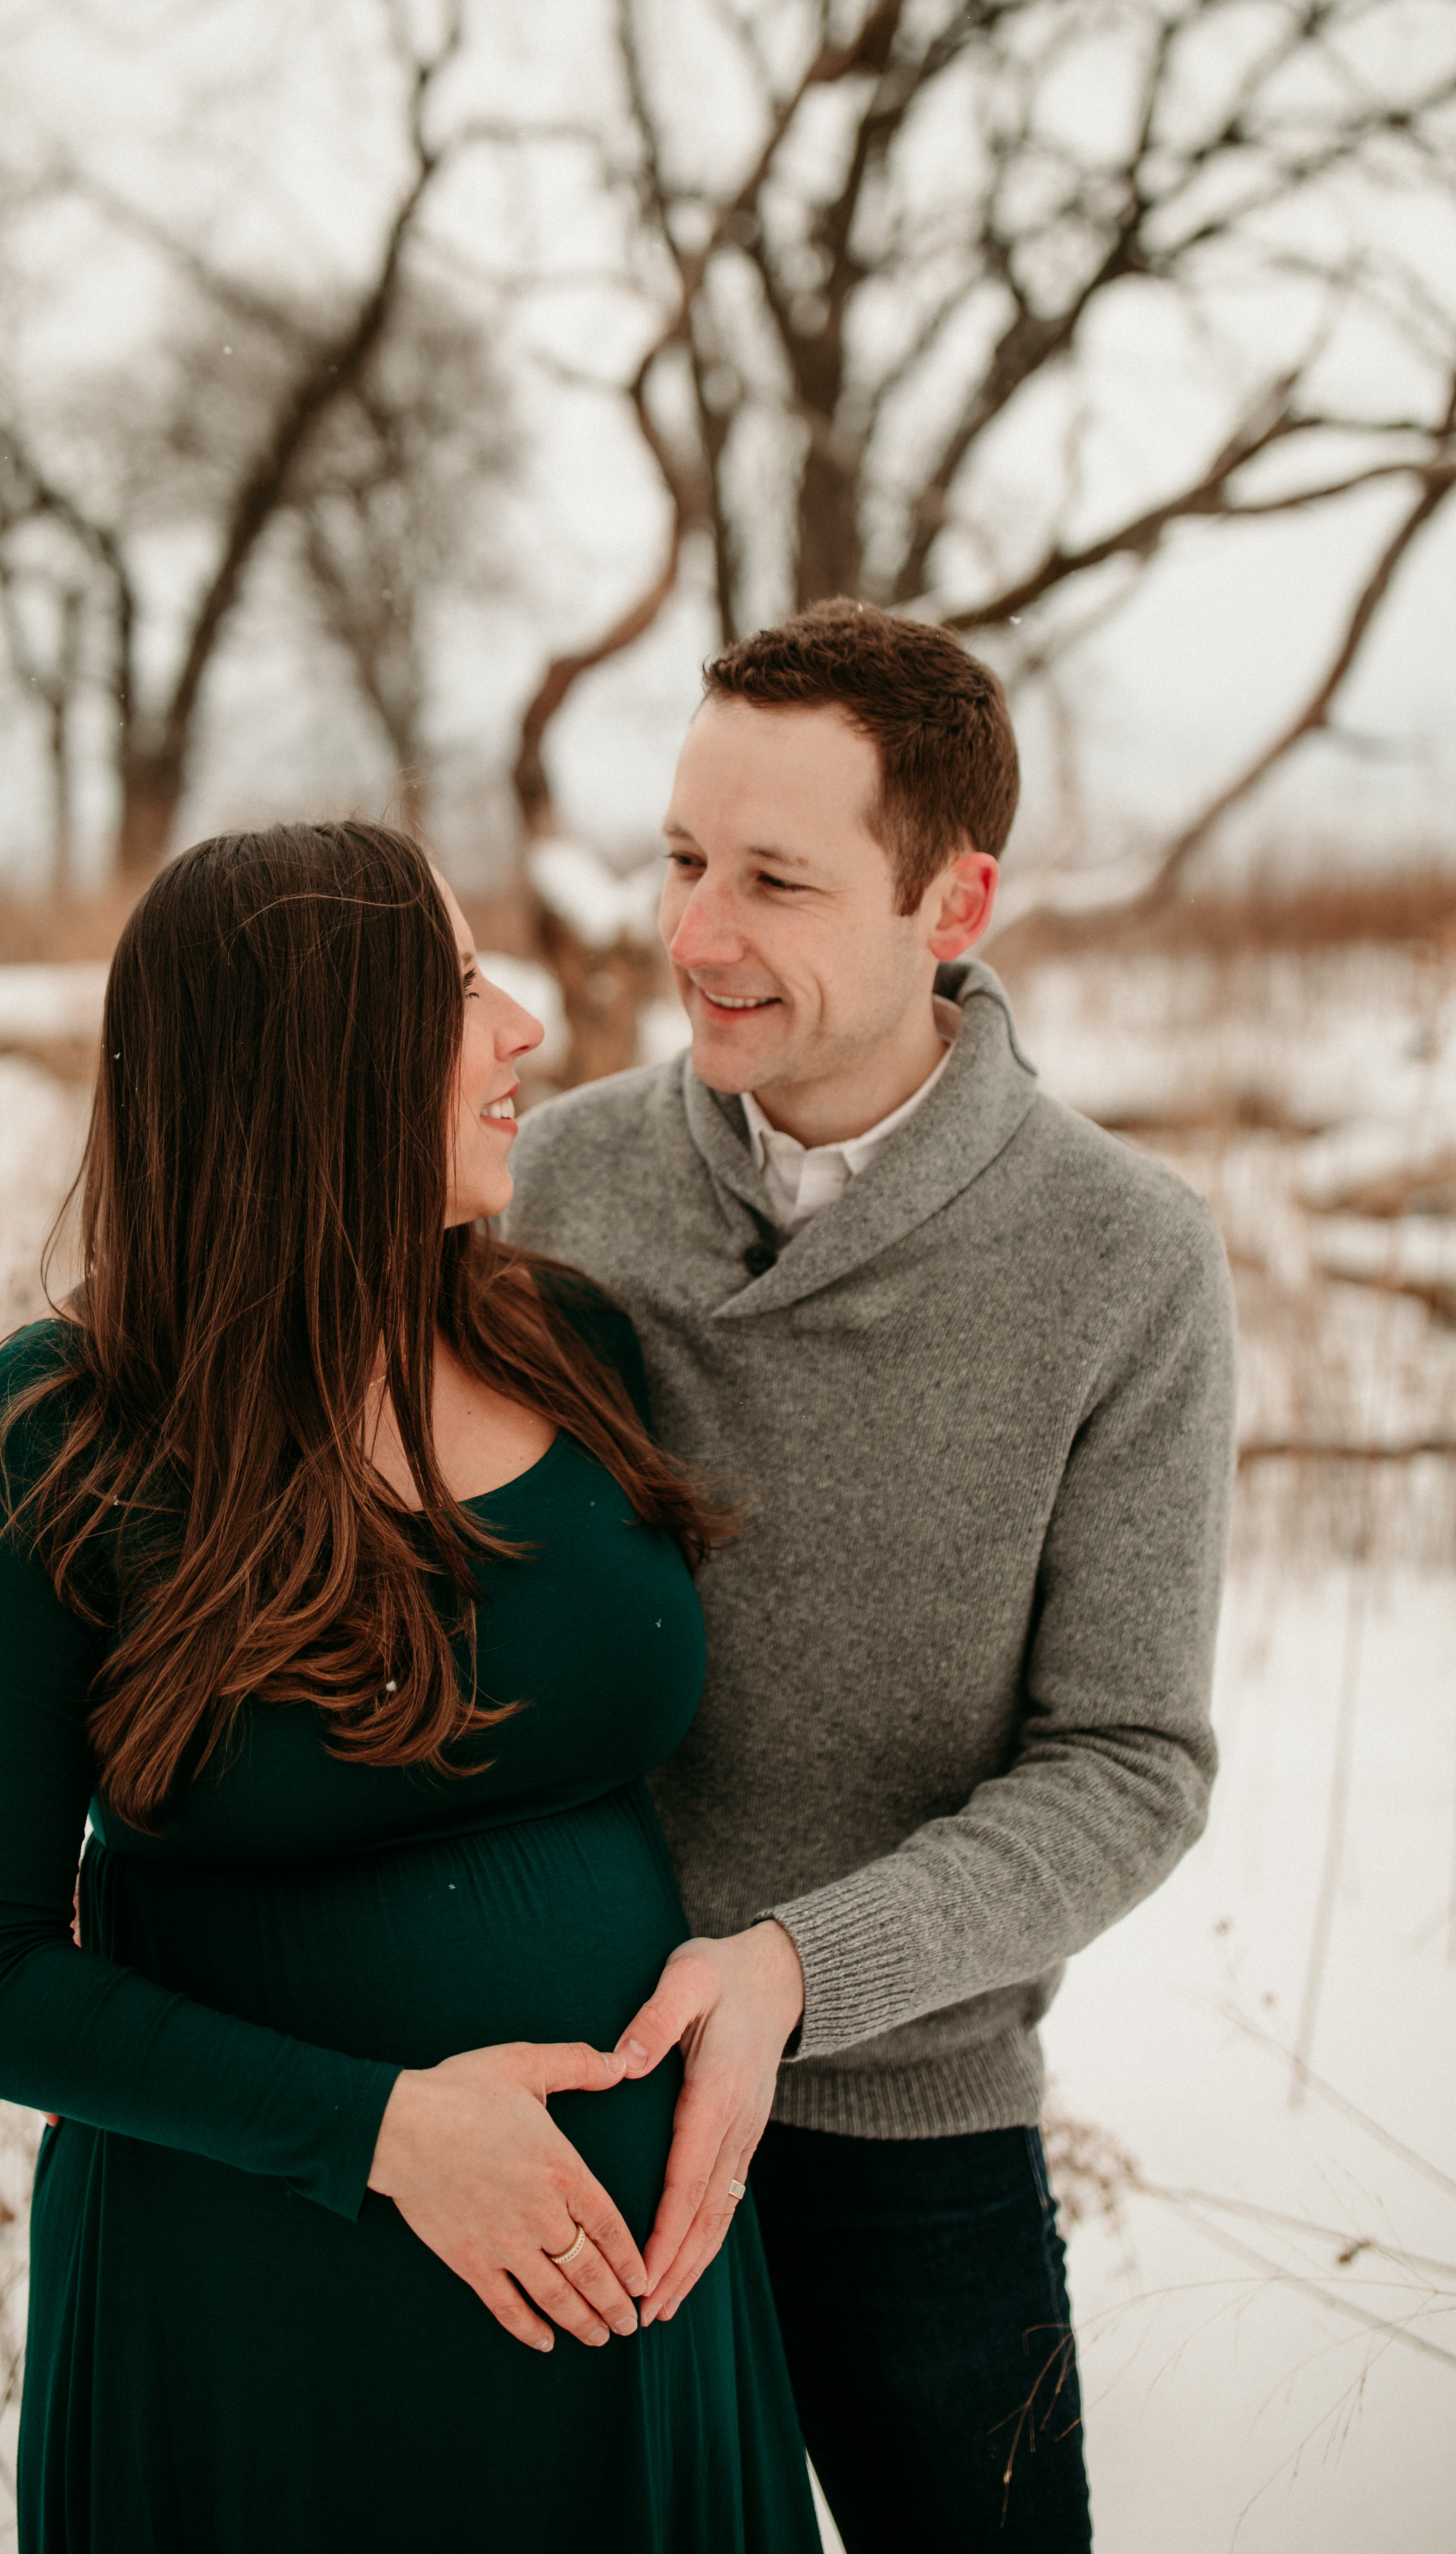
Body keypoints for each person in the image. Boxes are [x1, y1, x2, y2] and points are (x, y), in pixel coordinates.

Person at [0, 822, 823, 2554]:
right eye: (461, 988)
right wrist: (384, 2129)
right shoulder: (64, 1433)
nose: (523, 1033)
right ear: (318, 1054)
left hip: (634, 2306)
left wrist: (777, 1976)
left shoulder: (567, 1339)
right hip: (265, 2323)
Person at [505, 599, 1238, 2552]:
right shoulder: (548, 1190)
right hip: (552, 2103)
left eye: (772, 880)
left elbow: (1127, 1760)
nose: (695, 933)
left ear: (952, 902)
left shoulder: (1120, 1259)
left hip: (905, 2138)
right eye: (677, 859)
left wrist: (804, 1970)